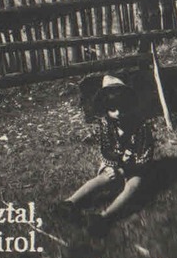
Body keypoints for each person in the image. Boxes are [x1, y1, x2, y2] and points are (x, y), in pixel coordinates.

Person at [65, 74, 154, 228]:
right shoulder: (106, 124)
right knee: (105, 177)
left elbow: (144, 154)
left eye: (122, 108)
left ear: (129, 106)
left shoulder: (141, 126)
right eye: (113, 109)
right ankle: (70, 203)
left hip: (136, 164)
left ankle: (104, 217)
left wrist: (127, 170)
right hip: (115, 161)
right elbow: (106, 148)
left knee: (133, 185)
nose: (118, 113)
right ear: (106, 109)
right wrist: (112, 166)